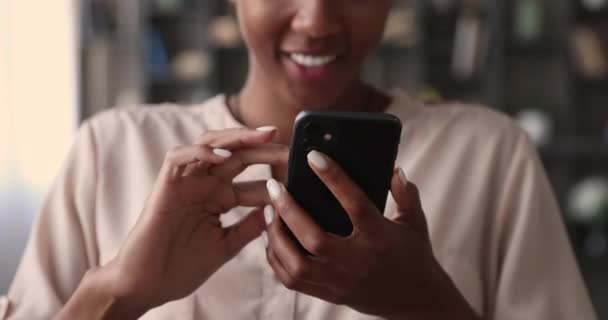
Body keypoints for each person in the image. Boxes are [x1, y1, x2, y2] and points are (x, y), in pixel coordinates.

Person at [0, 0, 597, 319]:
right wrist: (120, 294)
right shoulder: (110, 149)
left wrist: (428, 307)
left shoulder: (490, 155)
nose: (315, 20)